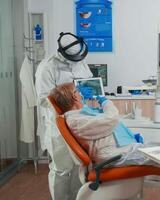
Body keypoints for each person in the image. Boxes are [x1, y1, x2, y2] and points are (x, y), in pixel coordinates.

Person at [35, 32, 93, 200]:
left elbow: (89, 79)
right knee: (61, 168)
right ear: (62, 52)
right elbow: (42, 99)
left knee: (79, 166)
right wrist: (68, 97)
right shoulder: (47, 67)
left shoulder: (80, 60)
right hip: (59, 126)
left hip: (80, 122)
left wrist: (90, 88)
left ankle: (76, 197)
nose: (78, 61)